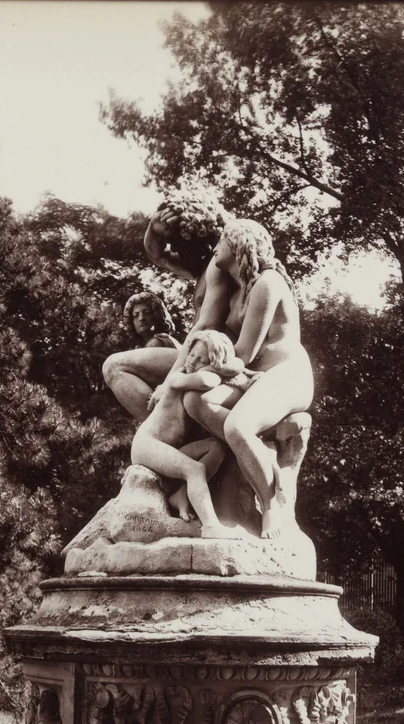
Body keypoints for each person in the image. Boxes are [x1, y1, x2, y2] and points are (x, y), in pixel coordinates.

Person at [181, 219, 313, 539]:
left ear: (240, 244)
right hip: (253, 377)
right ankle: (258, 450)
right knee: (195, 400)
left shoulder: (268, 282)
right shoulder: (240, 288)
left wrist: (193, 373)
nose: (216, 247)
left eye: (223, 239)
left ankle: (271, 505)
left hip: (286, 376)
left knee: (236, 426)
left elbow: (244, 353)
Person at [102, 194, 236, 420]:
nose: (177, 252)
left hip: (213, 358)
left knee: (115, 366)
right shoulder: (202, 269)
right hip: (200, 353)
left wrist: (170, 380)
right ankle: (165, 427)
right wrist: (153, 228)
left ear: (199, 239)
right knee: (116, 367)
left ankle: (164, 425)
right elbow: (157, 255)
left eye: (181, 245)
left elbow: (207, 324)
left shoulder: (217, 268)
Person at [130, 330, 247, 538]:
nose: (192, 361)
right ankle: (211, 527)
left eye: (200, 358)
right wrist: (220, 367)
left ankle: (181, 495)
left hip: (167, 447)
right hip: (147, 444)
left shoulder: (193, 376)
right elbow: (206, 381)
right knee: (194, 470)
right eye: (191, 354)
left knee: (216, 447)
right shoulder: (177, 377)